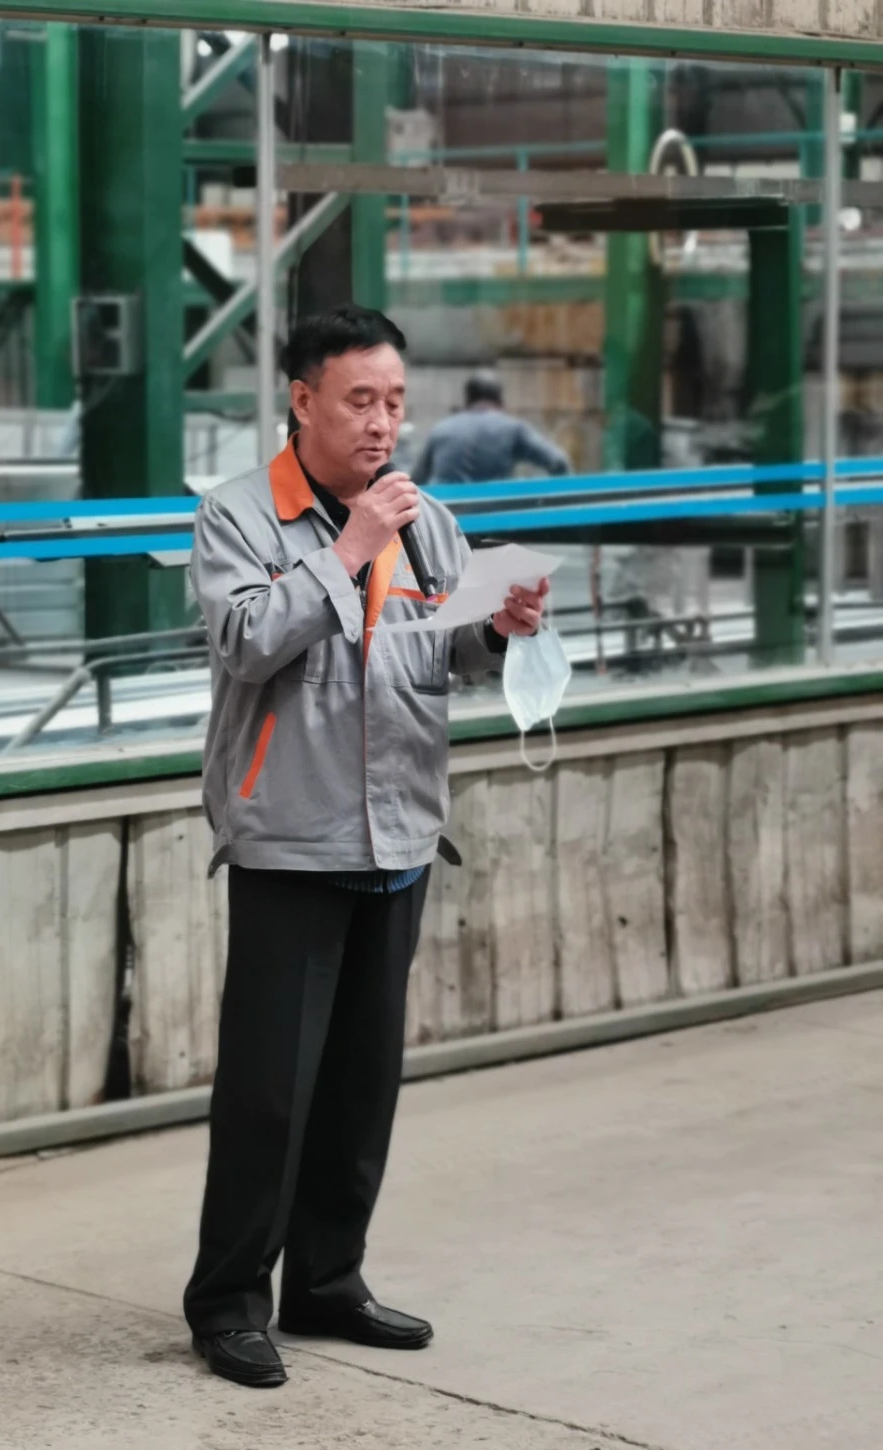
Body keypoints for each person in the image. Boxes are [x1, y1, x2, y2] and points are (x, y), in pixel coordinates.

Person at [183, 305, 547, 1388]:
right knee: (269, 1092)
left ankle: (328, 1280)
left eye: (394, 401)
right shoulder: (238, 515)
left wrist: (498, 629)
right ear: (302, 401)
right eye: (360, 400)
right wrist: (347, 549)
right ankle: (228, 1302)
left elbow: (439, 651)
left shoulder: (426, 521)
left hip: (399, 833)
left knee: (359, 1086)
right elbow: (246, 641)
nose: (383, 422)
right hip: (291, 840)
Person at [411, 370, 571, 486]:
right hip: (493, 516)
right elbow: (558, 462)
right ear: (500, 401)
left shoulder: (441, 429)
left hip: (444, 515)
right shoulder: (512, 428)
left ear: (467, 401)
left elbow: (417, 480)